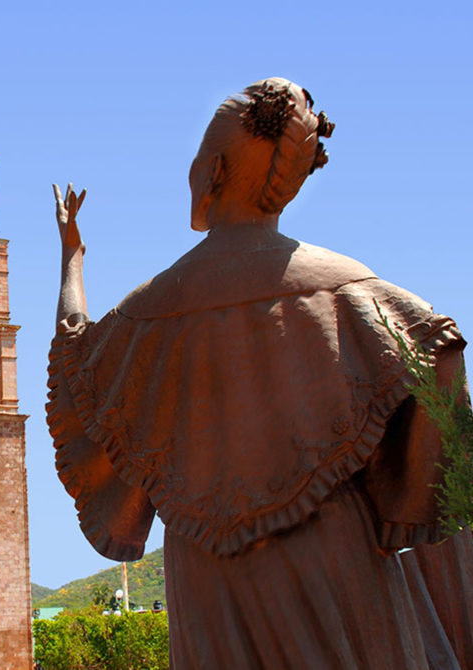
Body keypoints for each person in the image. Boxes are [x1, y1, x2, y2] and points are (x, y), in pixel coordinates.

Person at [48, 77, 469, 669]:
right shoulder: (352, 289)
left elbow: (76, 358)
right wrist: (391, 498)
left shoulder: (146, 314)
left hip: (207, 580)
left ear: (212, 172)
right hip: (339, 567)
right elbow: (439, 357)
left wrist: (72, 260)